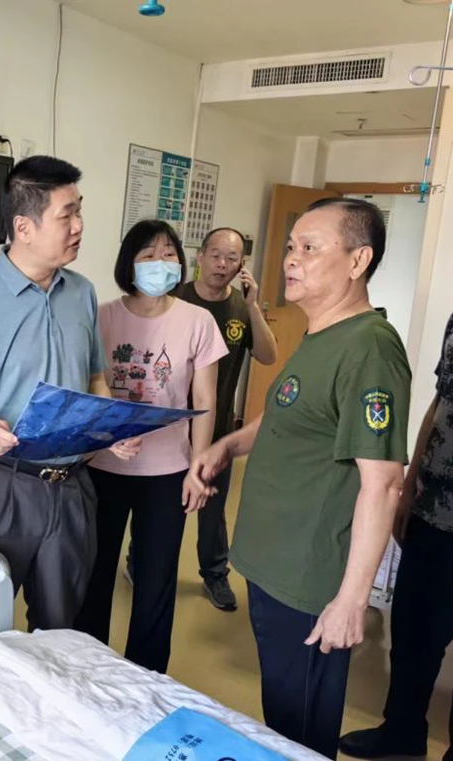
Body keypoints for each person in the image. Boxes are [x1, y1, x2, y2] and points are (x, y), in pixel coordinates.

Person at [186, 197, 411, 760]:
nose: (291, 259)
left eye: (310, 248)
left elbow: (383, 482)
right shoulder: (322, 335)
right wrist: (227, 445)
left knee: (300, 734)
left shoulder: (369, 349)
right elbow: (286, 414)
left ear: (357, 261)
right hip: (274, 568)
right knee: (280, 719)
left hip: (310, 584)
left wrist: (351, 601)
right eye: (291, 246)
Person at [0, 155, 141, 632]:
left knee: (59, 626)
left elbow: (94, 379)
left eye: (79, 211)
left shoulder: (82, 293)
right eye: (66, 214)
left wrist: (112, 426)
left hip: (71, 487)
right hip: (0, 485)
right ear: (24, 227)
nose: (79, 225)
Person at [72, 220, 226, 673]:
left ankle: (147, 677)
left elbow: (205, 400)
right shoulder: (101, 316)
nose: (161, 262)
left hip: (167, 471)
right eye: (148, 255)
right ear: (129, 264)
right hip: (102, 467)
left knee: (157, 581)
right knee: (94, 573)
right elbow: (87, 387)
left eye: (169, 253)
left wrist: (198, 466)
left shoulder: (198, 321)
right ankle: (89, 669)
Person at [338, 311, 453, 761]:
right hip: (433, 511)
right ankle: (403, 734)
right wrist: (409, 484)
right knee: (412, 635)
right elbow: (441, 402)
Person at [176, 227, 277, 611]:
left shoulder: (240, 308)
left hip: (217, 430)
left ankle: (215, 574)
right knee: (162, 507)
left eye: (231, 258)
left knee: (213, 511)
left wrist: (253, 307)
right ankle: (141, 561)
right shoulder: (176, 298)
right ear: (200, 257)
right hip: (171, 428)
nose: (222, 264)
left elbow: (267, 356)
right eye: (215, 255)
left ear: (241, 265)